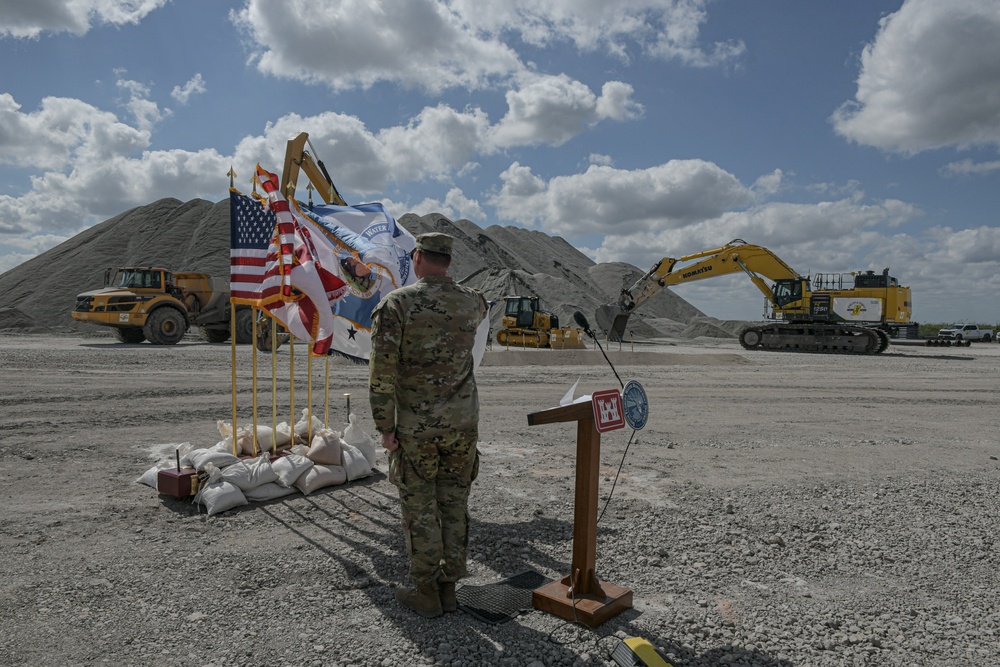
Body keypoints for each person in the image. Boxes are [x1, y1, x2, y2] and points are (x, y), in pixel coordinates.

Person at [368, 232, 489, 618]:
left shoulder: (397, 305)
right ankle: (449, 588)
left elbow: (382, 373)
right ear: (449, 261)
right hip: (462, 425)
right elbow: (479, 308)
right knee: (454, 503)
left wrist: (385, 427)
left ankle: (426, 592)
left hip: (416, 429)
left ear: (417, 257)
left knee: (419, 508)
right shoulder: (474, 302)